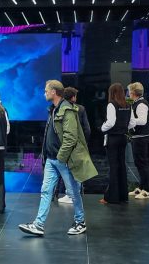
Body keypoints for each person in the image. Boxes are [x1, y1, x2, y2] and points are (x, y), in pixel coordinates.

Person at [18, 80, 97, 236]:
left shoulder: (67, 110)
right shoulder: (53, 109)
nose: (44, 93)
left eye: (46, 90)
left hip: (63, 160)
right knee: (46, 191)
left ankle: (80, 222)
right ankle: (38, 224)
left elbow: (71, 138)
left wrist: (61, 158)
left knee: (73, 192)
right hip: (51, 159)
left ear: (54, 92)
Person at [57, 86, 91, 204]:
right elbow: (87, 128)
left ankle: (71, 195)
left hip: (66, 143)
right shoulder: (80, 109)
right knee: (77, 170)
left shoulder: (61, 109)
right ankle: (74, 195)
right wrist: (84, 143)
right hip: (78, 144)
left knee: (68, 170)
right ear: (73, 97)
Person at [100, 83, 133, 204]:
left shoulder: (112, 104)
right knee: (122, 165)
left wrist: (102, 128)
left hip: (113, 138)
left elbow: (111, 122)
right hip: (123, 138)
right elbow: (132, 122)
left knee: (113, 167)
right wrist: (124, 128)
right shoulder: (128, 105)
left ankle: (112, 197)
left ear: (112, 93)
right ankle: (123, 196)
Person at [127, 82, 149, 199]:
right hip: (137, 137)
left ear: (133, 92)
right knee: (139, 163)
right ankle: (142, 187)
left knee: (142, 163)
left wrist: (130, 120)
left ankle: (147, 190)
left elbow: (142, 121)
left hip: (141, 137)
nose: (128, 94)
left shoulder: (141, 104)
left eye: (129, 92)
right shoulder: (136, 103)